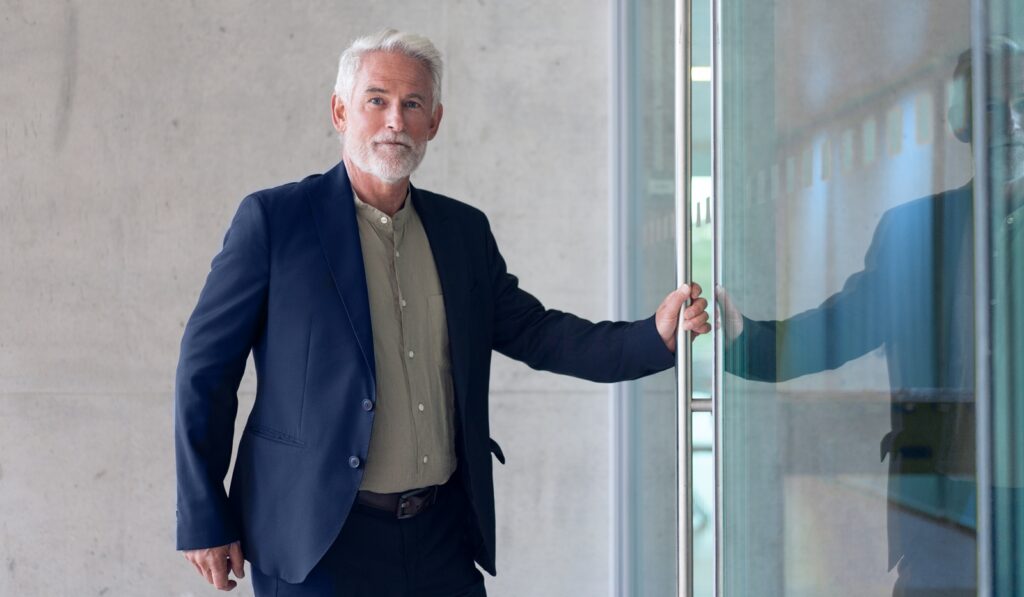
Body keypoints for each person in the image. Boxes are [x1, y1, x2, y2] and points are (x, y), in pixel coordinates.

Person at [175, 28, 711, 596]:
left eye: (413, 105)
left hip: (440, 537)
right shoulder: (274, 222)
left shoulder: (462, 232)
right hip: (317, 543)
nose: (395, 122)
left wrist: (653, 337)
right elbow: (205, 370)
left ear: (435, 121)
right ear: (340, 111)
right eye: (376, 100)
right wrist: (204, 517)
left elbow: (534, 331)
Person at [717, 38, 1024, 596]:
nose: (1010, 120)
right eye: (990, 105)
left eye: (1023, 101)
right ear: (962, 122)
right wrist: (744, 341)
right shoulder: (916, 231)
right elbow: (842, 328)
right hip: (943, 520)